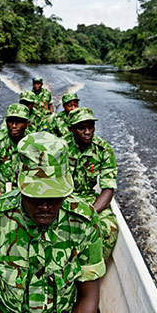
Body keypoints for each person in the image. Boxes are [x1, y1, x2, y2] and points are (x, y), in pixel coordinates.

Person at [0, 132, 105, 313]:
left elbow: (88, 296)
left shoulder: (85, 222)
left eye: (54, 196)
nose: (45, 205)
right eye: (36, 195)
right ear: (20, 184)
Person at [66, 108, 118, 261]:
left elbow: (108, 188)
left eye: (91, 127)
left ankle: (93, 268)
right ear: (72, 129)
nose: (88, 132)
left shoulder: (104, 149)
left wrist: (91, 212)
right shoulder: (60, 148)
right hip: (62, 197)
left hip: (89, 198)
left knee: (110, 229)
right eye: (82, 128)